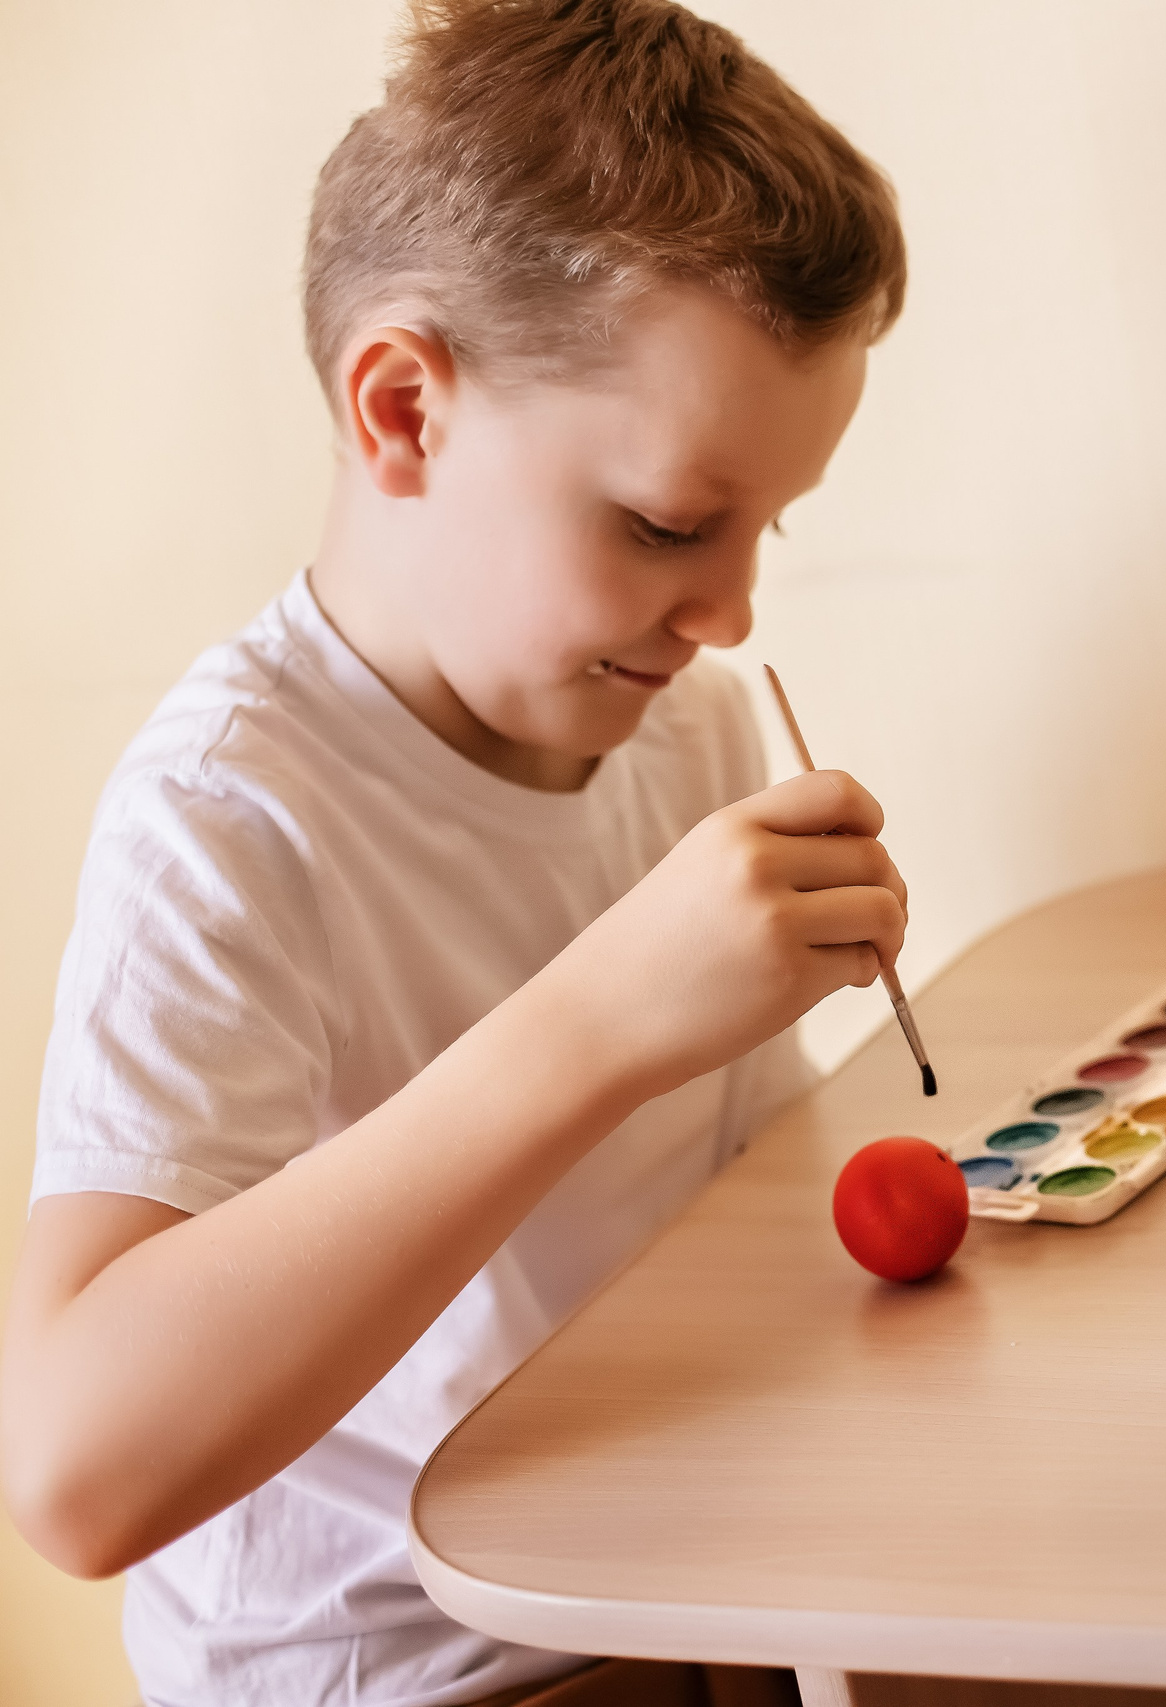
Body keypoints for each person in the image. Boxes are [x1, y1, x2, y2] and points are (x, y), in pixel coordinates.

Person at [1, 4, 907, 1702]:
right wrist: (607, 1018)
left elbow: (747, 1220)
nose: (728, 612)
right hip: (414, 1675)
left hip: (674, 1597)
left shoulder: (677, 721)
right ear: (404, 408)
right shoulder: (232, 816)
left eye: (761, 532)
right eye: (664, 524)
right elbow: (74, 1468)